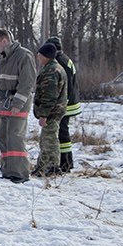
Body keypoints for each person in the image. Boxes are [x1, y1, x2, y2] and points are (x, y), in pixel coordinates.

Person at [0, 29, 37, 184]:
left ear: (4, 41)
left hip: (18, 104)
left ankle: (19, 173)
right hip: (3, 104)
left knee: (15, 137)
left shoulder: (23, 55)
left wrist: (18, 103)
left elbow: (27, 82)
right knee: (3, 135)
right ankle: (7, 169)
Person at [46, 36, 81, 172]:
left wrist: (62, 103)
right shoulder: (65, 58)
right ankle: (66, 161)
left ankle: (65, 162)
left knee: (62, 132)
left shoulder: (60, 61)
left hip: (66, 103)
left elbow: (65, 85)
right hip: (70, 102)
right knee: (63, 131)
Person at [32, 43, 67, 176]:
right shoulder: (56, 68)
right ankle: (43, 166)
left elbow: (49, 96)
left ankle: (52, 167)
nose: (38, 58)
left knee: (49, 140)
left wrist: (43, 115)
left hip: (51, 113)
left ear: (46, 56)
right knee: (47, 138)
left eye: (39, 55)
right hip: (55, 111)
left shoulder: (51, 71)